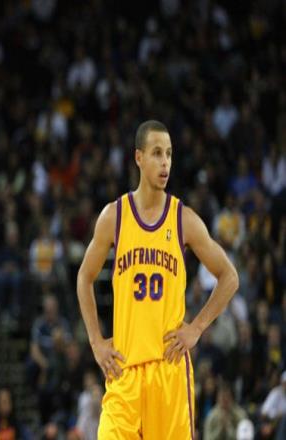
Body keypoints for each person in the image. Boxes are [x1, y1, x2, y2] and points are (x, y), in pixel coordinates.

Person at [77, 120, 239, 439]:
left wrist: (196, 328)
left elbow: (229, 276)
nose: (165, 162)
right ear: (138, 157)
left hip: (169, 371)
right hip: (125, 370)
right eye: (156, 153)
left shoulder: (183, 220)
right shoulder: (114, 216)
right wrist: (96, 342)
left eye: (169, 154)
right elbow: (84, 276)